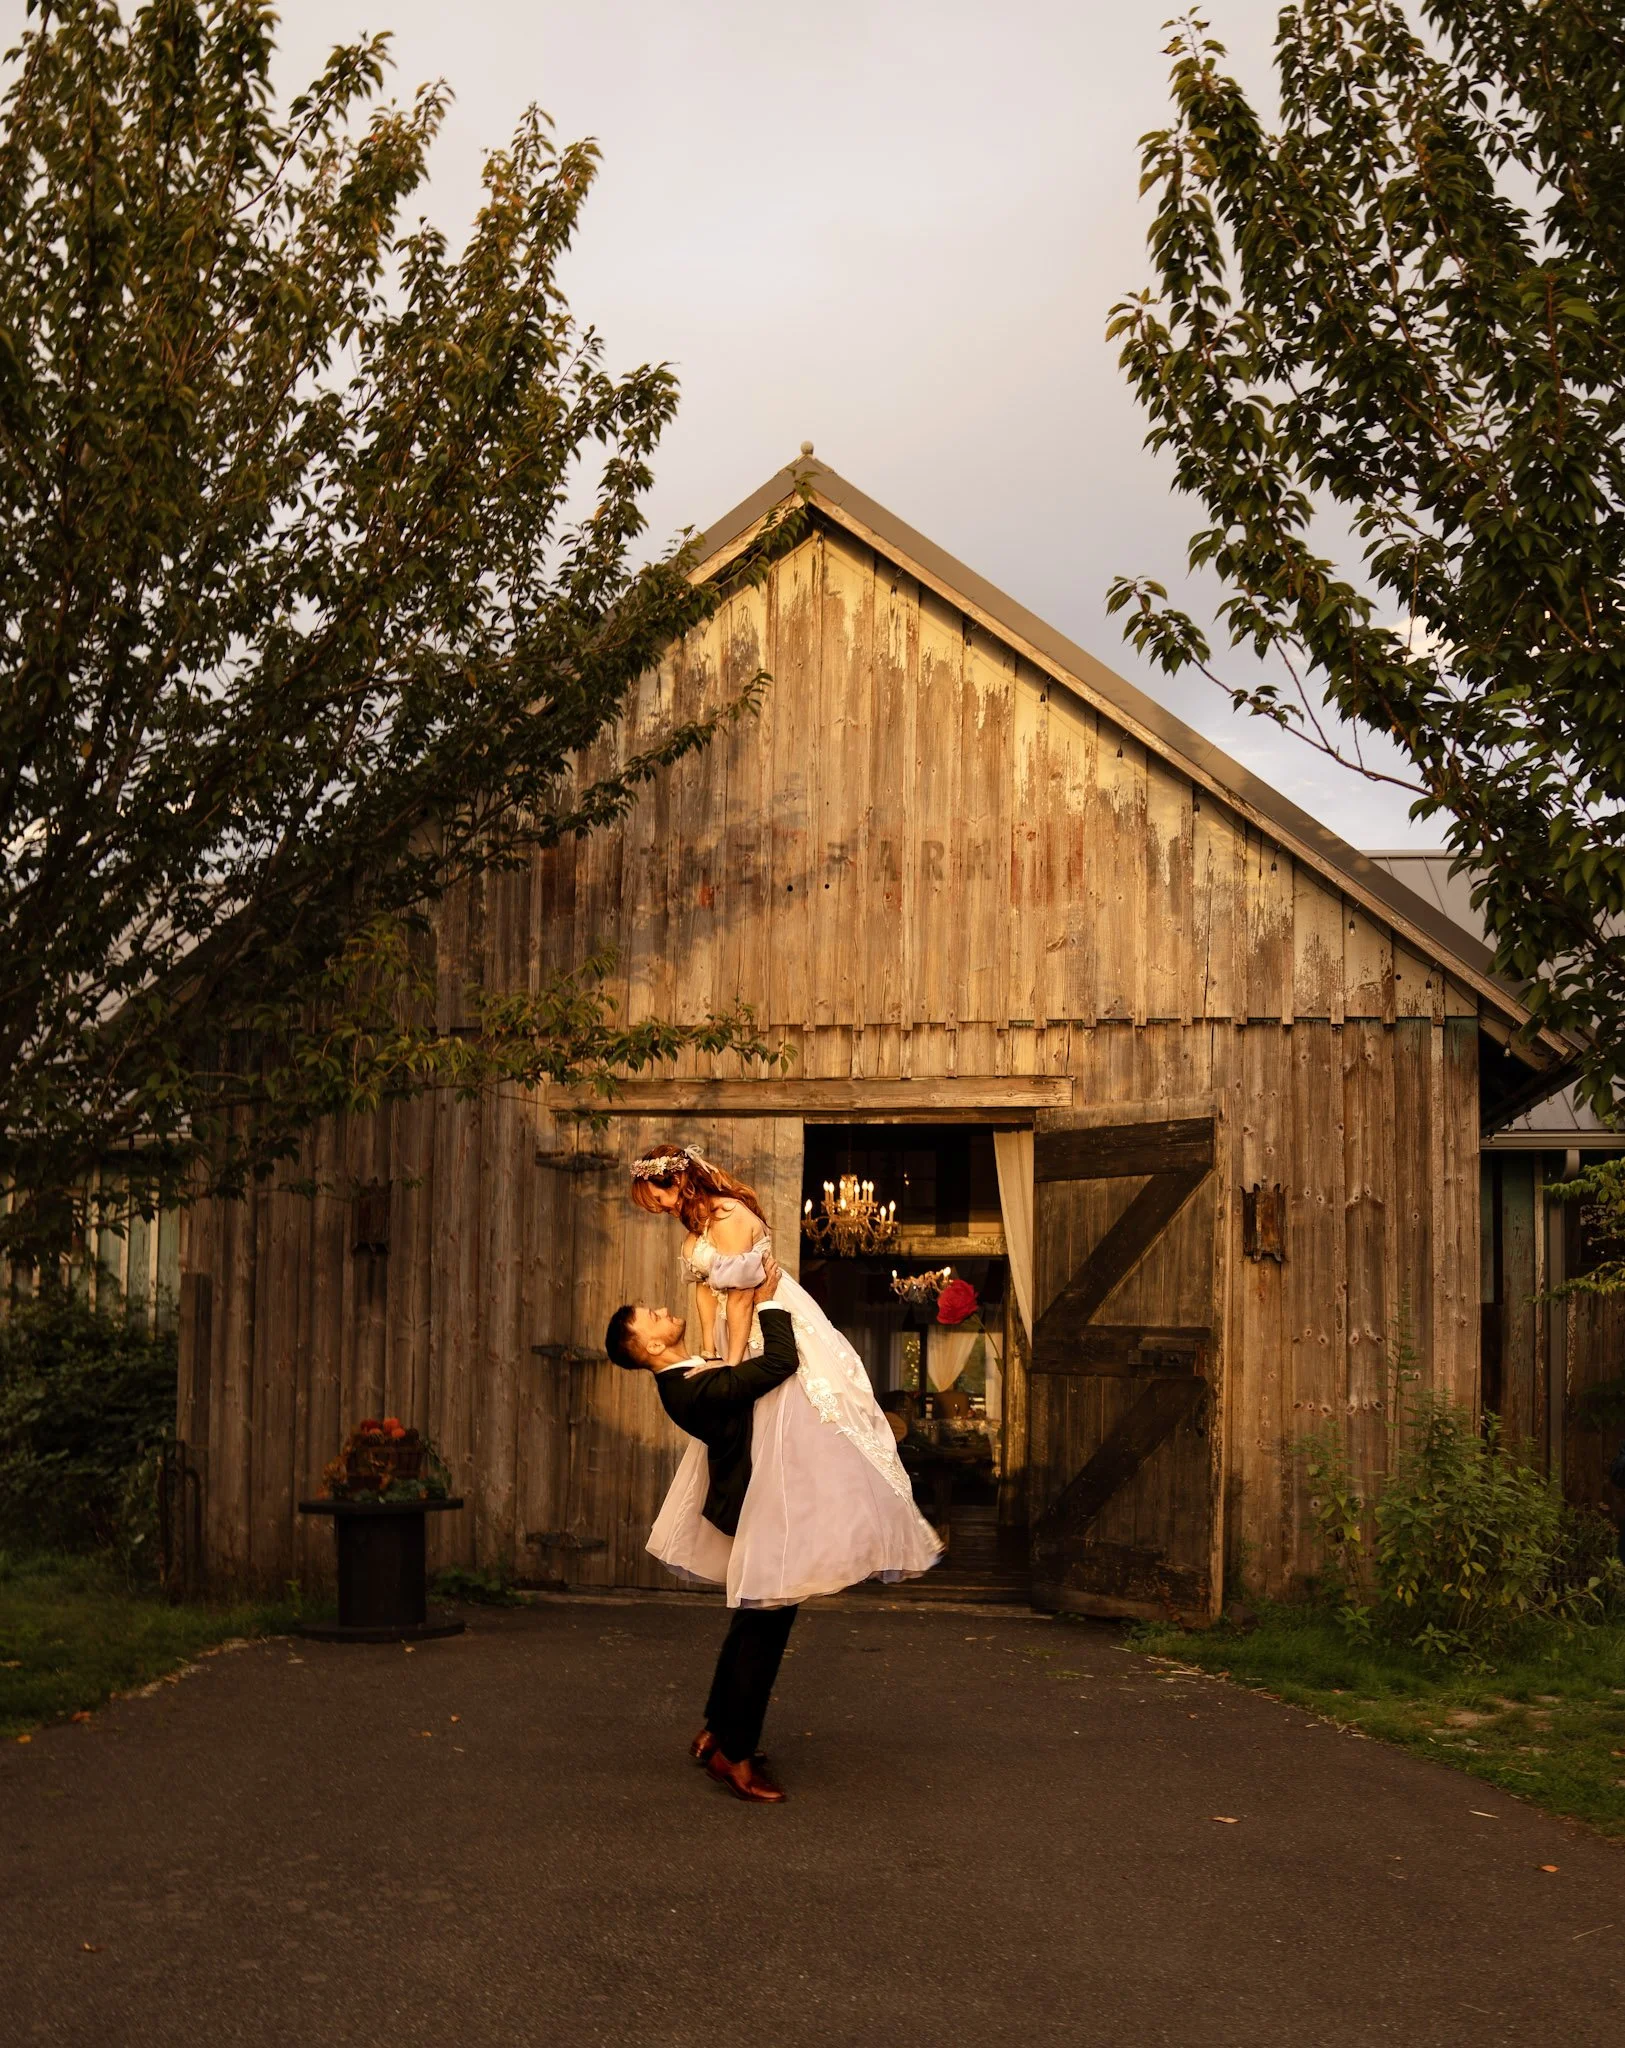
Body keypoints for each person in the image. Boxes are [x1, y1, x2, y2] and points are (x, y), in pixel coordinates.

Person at [624, 1141, 941, 1613]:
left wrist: (732, 1365)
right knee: (761, 1443)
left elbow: (739, 1297)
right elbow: (706, 1294)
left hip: (764, 1316)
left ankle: (808, 1546)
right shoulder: (698, 1223)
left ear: (680, 1182)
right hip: (736, 1323)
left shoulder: (729, 1217)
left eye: (661, 1197)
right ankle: (772, 1553)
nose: (662, 1208)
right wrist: (708, 1350)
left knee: (798, 1428)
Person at [604, 1256, 800, 1803]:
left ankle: (717, 1727)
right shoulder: (692, 1388)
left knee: (751, 1620)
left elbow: (732, 1353)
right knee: (765, 1628)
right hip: (758, 1507)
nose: (663, 1310)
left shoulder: (690, 1373)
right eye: (651, 1316)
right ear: (647, 1348)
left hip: (752, 1501)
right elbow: (780, 1362)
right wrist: (771, 1297)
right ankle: (733, 1757)